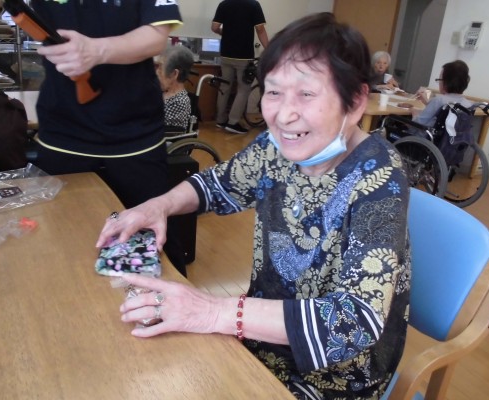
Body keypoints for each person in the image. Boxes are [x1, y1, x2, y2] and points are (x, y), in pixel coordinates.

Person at [97, 13, 411, 399]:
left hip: (334, 375)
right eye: (273, 92)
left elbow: (355, 321)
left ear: (356, 100)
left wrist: (214, 312)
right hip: (258, 335)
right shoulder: (278, 147)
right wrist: (158, 206)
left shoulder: (378, 178)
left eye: (307, 94)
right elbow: (216, 184)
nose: (283, 115)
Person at [0, 0, 189, 275]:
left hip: (136, 136)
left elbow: (156, 36)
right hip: (62, 133)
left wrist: (96, 50)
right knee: (60, 245)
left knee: (155, 246)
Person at [211, 0, 269, 135]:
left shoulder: (224, 4)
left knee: (225, 86)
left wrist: (224, 33)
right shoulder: (253, 5)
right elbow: (260, 29)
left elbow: (214, 27)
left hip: (225, 54)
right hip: (243, 55)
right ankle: (233, 122)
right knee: (243, 89)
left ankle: (220, 120)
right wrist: (269, 48)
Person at [412, 60, 472, 126]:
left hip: (424, 132)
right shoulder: (468, 104)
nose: (439, 83)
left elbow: (416, 125)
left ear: (447, 82)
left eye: (440, 79)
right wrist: (427, 102)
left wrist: (414, 113)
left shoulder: (439, 100)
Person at [156, 45, 194, 132]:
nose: (157, 72)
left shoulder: (180, 102)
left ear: (174, 74)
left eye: (160, 69)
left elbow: (152, 125)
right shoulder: (162, 91)